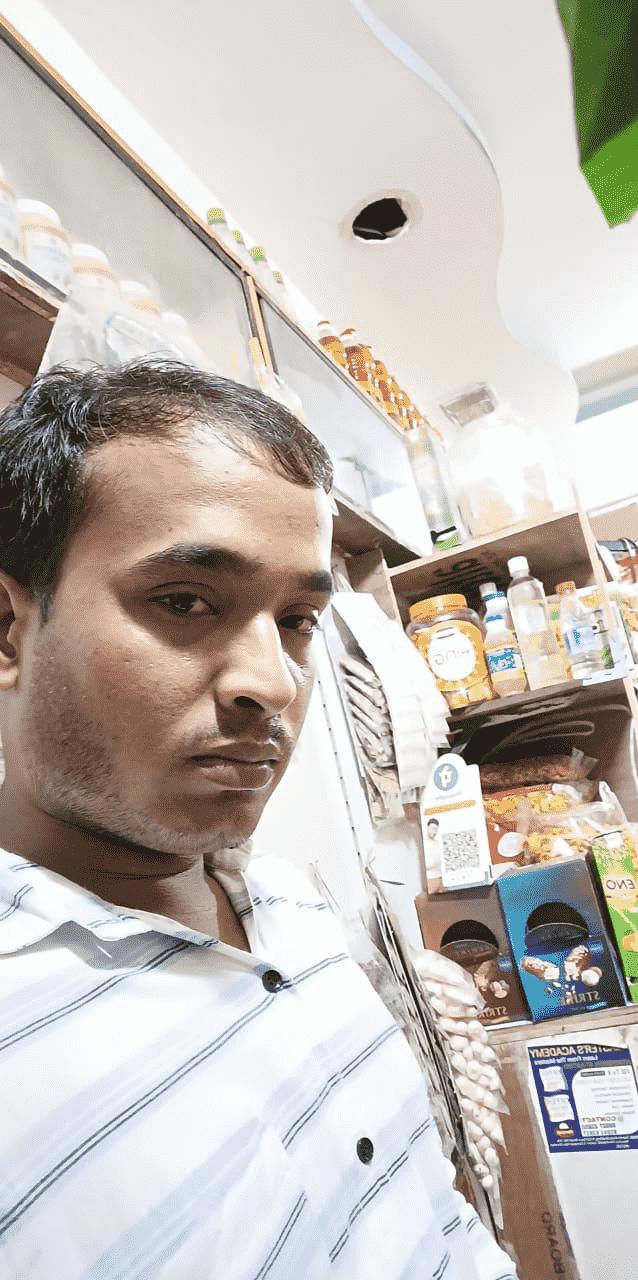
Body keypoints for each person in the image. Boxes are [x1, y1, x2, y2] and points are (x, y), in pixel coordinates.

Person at [0, 360, 516, 1280]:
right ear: (9, 631)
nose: (274, 684)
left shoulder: (299, 910)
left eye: (298, 619)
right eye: (184, 602)